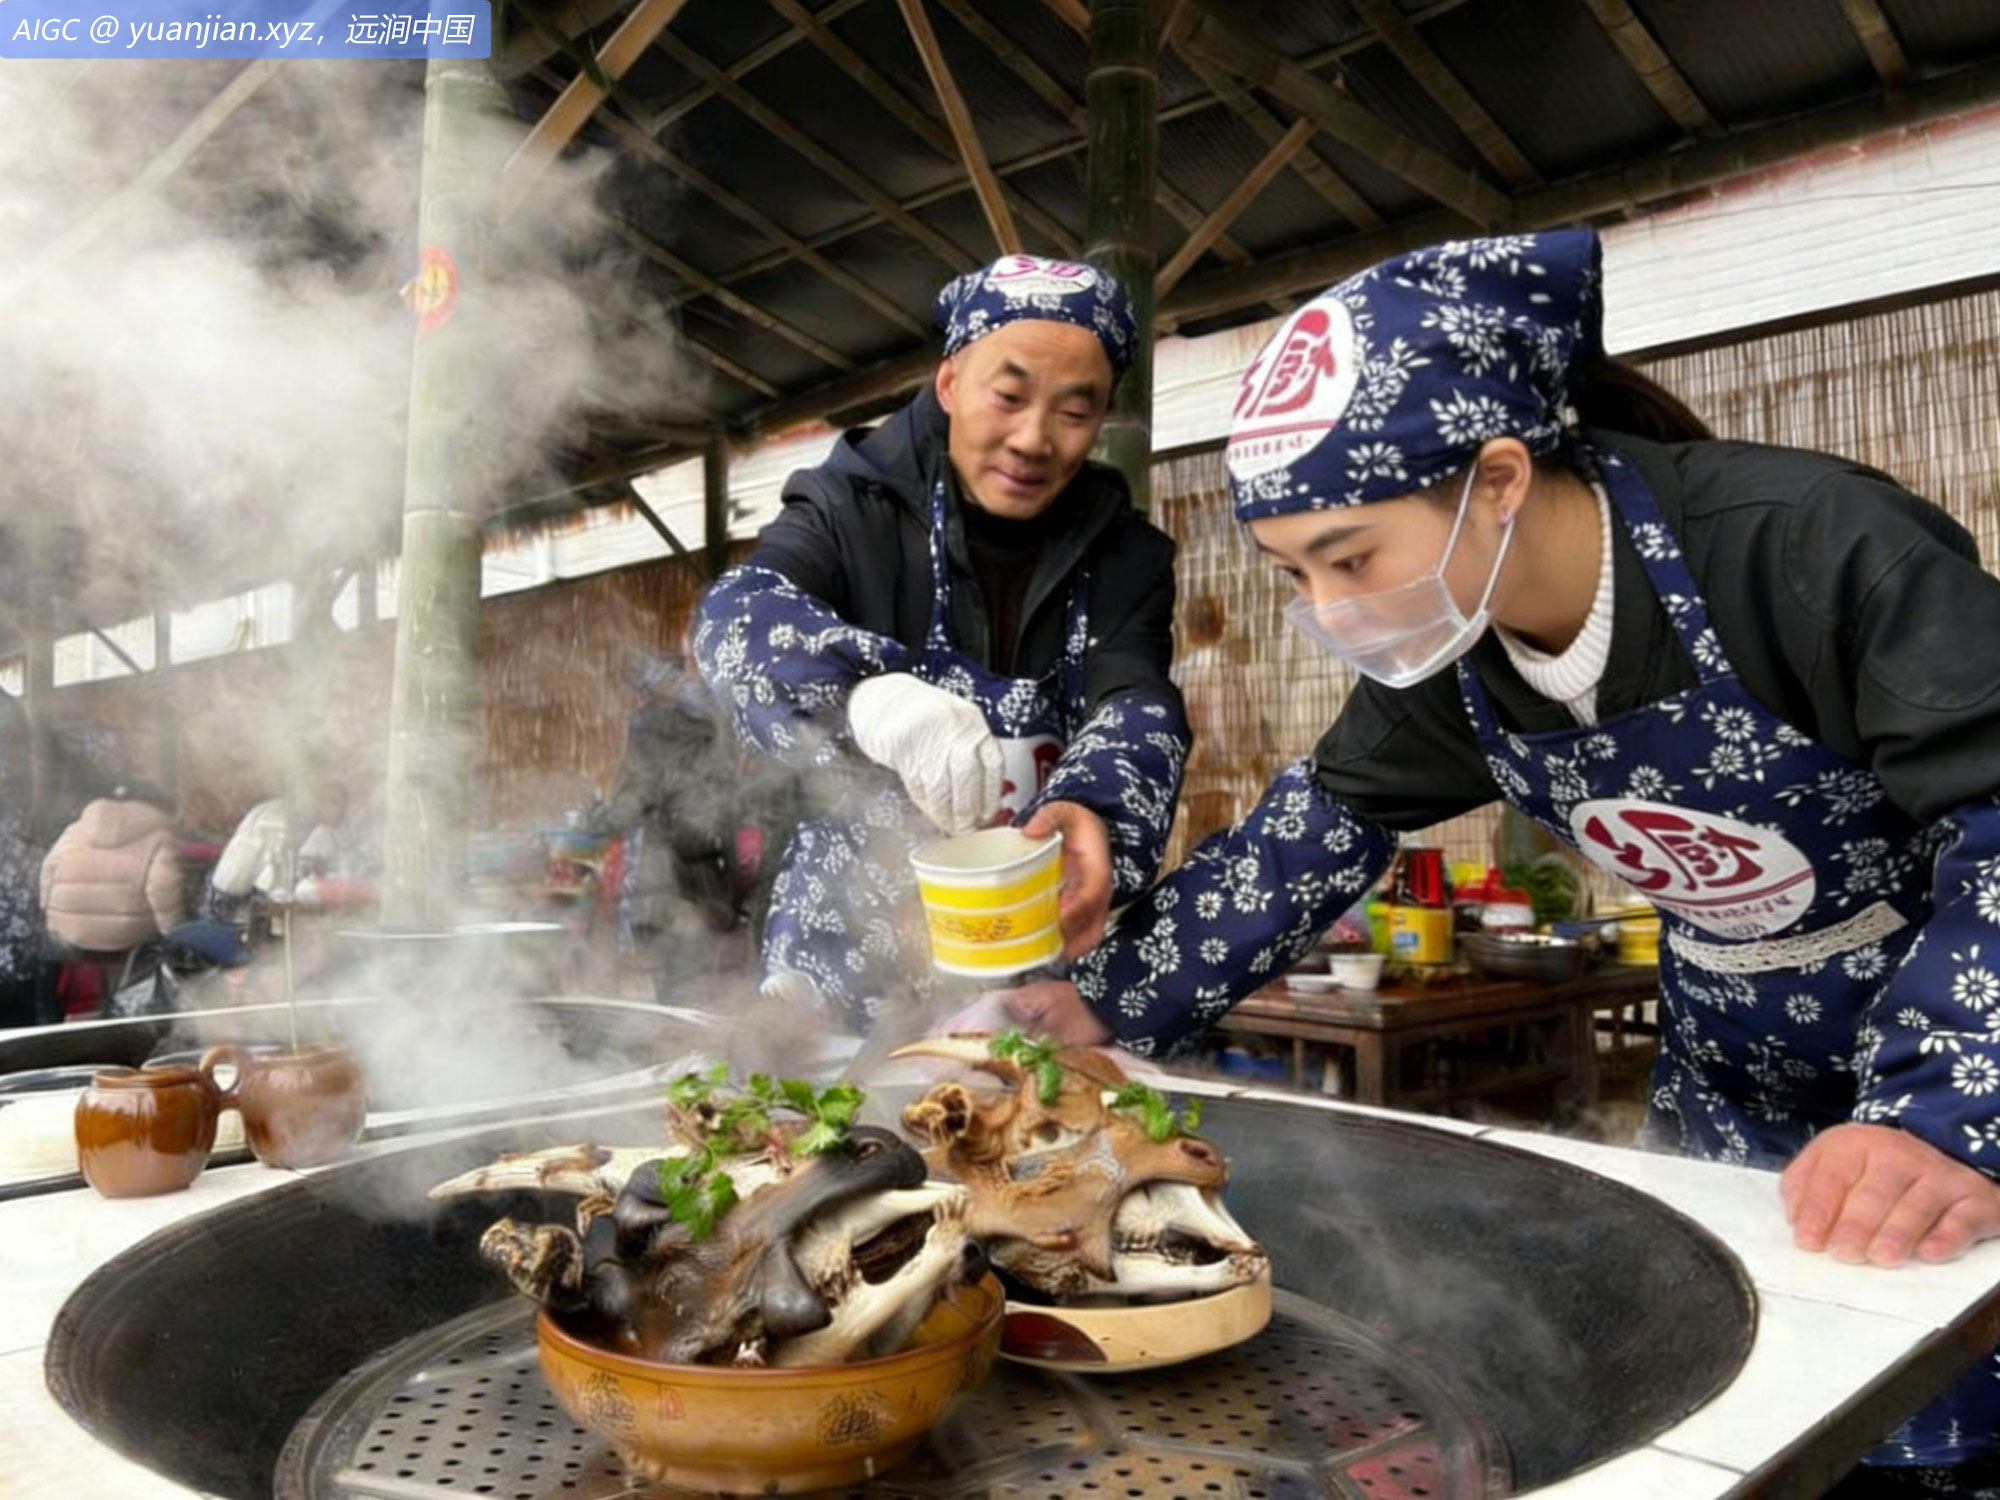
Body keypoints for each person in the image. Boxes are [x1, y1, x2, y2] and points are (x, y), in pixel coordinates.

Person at [1003, 229, 2000, 1491]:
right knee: (1751, 1419)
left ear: (1496, 478)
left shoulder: (1798, 544)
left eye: (1349, 555)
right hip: (1725, 1073)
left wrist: (1944, 1114)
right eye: (1291, 571)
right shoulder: (1454, 656)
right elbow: (1307, 836)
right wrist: (1099, 999)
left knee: (1930, 1422)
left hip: (1946, 1055)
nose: (1325, 609)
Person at [694, 253, 1190, 1030]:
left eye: (1074, 410)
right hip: (836, 980)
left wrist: (1096, 803)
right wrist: (864, 695)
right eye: (1009, 394)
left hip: (1029, 971)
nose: (1033, 439)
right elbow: (733, 616)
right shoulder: (849, 505)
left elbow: (1136, 703)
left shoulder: (1127, 558)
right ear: (951, 382)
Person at [594, 652, 745, 1003]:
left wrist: (604, 821)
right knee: (701, 975)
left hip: (662, 870)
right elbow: (729, 800)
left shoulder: (650, 723)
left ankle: (680, 1037)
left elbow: (637, 793)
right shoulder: (718, 721)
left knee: (672, 975)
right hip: (706, 871)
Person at [40, 780, 184, 955]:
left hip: (70, 935)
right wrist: (173, 932)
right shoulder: (160, 837)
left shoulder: (74, 832)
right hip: (128, 938)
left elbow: (48, 871)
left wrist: (51, 922)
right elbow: (162, 887)